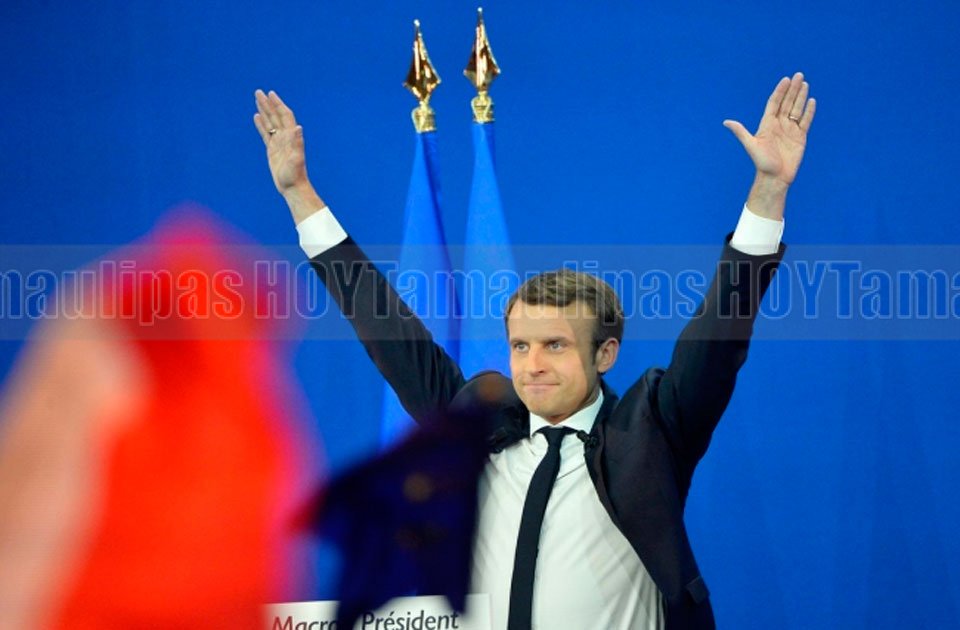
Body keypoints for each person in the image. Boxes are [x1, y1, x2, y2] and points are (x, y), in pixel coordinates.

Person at [254, 72, 815, 630]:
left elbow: (719, 336)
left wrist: (768, 191)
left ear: (605, 354)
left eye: (555, 346)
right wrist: (300, 195)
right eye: (520, 345)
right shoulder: (474, 428)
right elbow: (385, 327)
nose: (532, 366)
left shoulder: (653, 433)